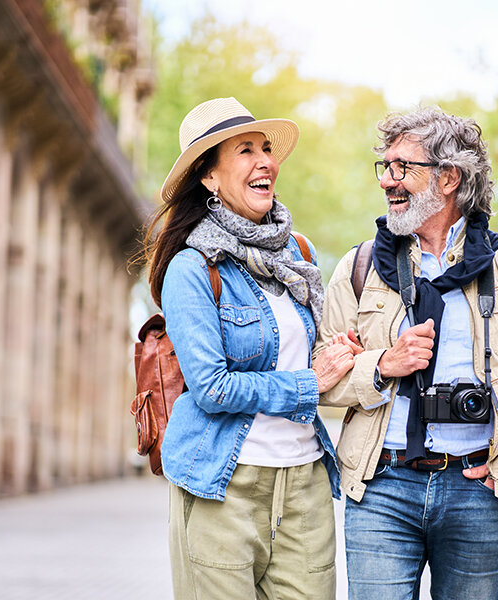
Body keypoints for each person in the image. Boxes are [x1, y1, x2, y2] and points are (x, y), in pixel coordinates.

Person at [316, 107, 498, 600]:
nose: (388, 181)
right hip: (381, 487)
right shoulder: (359, 267)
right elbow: (319, 379)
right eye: (385, 167)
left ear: (449, 178)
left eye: (402, 167)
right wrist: (382, 366)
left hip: (480, 487)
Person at [142, 97, 355, 600]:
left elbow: (314, 356)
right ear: (209, 178)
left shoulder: (298, 255)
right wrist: (310, 382)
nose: (265, 161)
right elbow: (211, 387)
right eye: (244, 151)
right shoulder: (192, 269)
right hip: (223, 484)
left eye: (266, 149)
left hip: (304, 484)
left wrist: (347, 354)